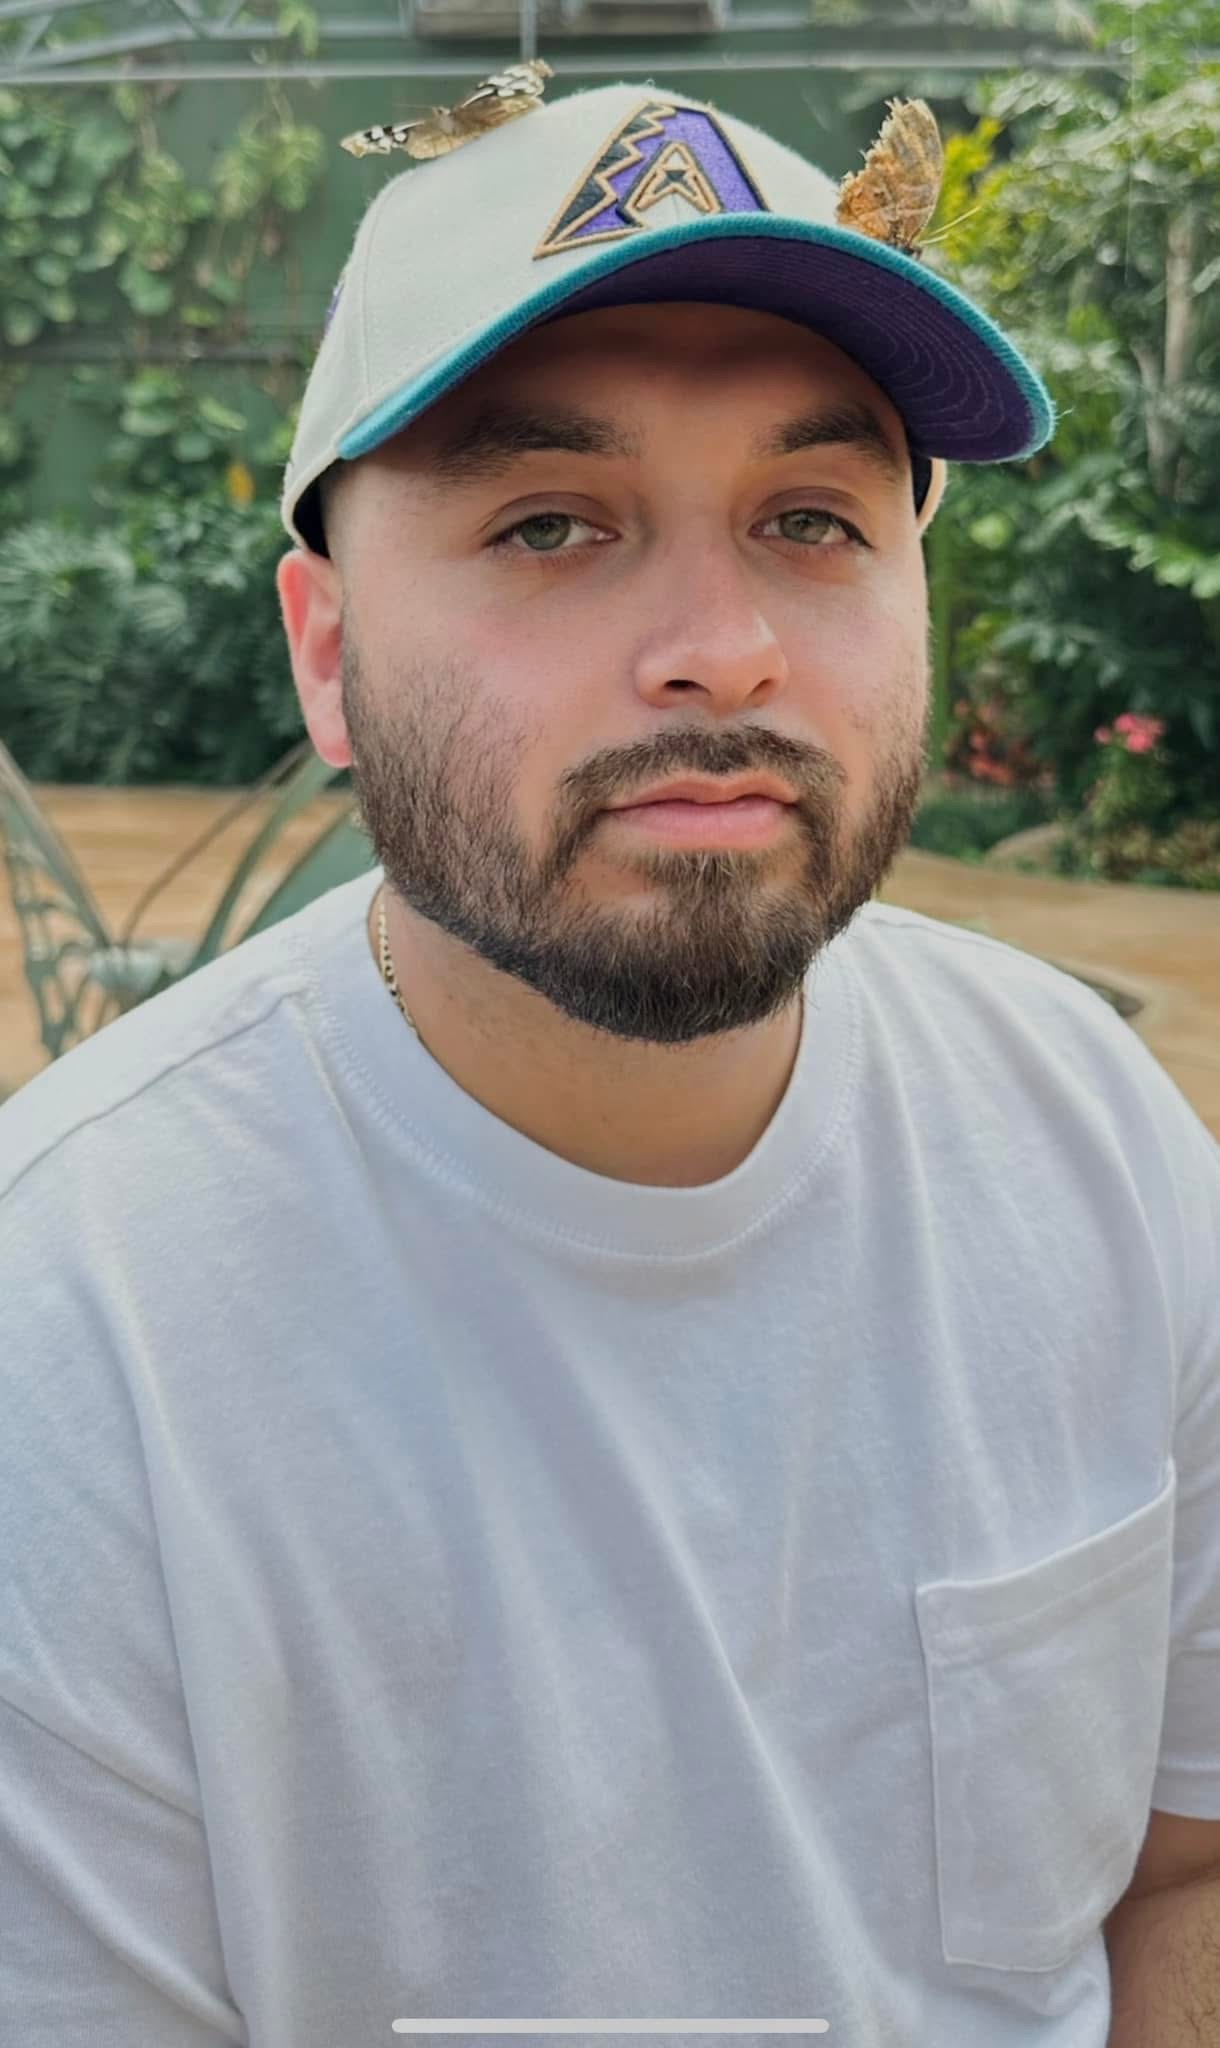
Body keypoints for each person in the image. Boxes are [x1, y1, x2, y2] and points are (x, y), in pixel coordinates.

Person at [0, 69, 1217, 2048]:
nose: (723, 645)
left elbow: (1184, 1867)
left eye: (810, 519)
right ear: (328, 652)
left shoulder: (1101, 1151)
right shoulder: (72, 1341)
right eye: (551, 522)